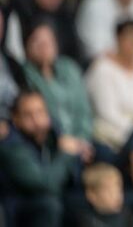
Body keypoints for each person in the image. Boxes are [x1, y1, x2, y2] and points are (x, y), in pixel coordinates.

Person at [0, 90, 87, 227]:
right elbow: (45, 185)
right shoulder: (11, 146)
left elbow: (73, 174)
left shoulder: (53, 134)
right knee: (49, 205)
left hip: (51, 197)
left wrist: (79, 155)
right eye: (28, 115)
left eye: (40, 112)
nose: (36, 120)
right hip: (21, 206)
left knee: (84, 199)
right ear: (16, 119)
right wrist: (66, 155)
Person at [20, 21, 92, 142]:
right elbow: (44, 111)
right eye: (37, 41)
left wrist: (83, 139)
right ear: (26, 46)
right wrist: (62, 140)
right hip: (52, 140)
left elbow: (83, 110)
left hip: (83, 139)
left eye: (48, 40)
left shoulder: (69, 67)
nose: (44, 46)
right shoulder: (24, 73)